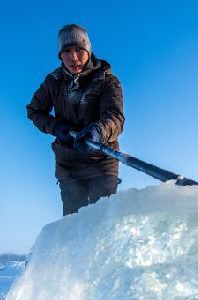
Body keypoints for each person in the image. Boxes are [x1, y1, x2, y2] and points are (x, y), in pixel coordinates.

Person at [26, 24, 125, 216]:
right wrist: (56, 127)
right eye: (67, 51)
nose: (74, 57)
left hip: (101, 161)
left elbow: (115, 118)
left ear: (88, 50)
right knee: (74, 223)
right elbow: (34, 111)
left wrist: (98, 132)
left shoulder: (106, 80)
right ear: (60, 55)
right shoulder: (52, 82)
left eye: (79, 50)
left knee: (102, 221)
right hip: (69, 164)